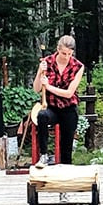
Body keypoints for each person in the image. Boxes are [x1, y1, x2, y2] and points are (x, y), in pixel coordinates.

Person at [33, 35, 84, 169]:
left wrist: (49, 86)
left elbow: (68, 93)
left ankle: (65, 178)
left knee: (66, 147)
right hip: (52, 107)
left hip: (69, 109)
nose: (66, 57)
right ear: (58, 49)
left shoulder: (78, 66)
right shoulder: (47, 62)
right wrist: (40, 72)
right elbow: (37, 88)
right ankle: (43, 155)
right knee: (42, 116)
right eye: (63, 53)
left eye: (69, 54)